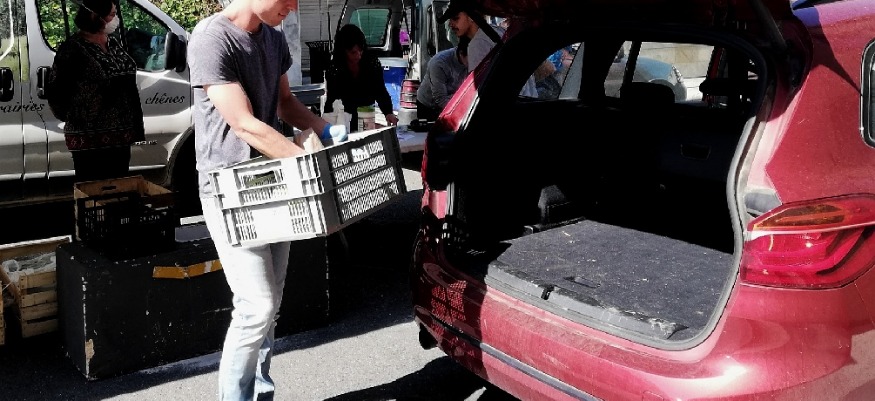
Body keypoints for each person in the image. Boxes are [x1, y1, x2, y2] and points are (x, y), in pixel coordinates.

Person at [187, 0, 348, 399]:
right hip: (229, 190)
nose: (293, 7)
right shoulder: (212, 38)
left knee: (270, 305)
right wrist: (307, 164)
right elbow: (243, 124)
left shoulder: (273, 39)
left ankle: (259, 393)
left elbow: (285, 103)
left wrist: (325, 130)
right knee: (255, 305)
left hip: (274, 183)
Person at [46, 0, 144, 183]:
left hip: (121, 137)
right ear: (94, 16)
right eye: (111, 15)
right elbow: (56, 92)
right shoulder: (72, 49)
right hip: (89, 140)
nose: (115, 19)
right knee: (95, 190)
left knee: (120, 188)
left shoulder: (113, 43)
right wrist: (82, 115)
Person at [439, 0, 538, 97]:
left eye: (455, 18)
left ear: (471, 17)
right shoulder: (499, 31)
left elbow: (480, 91)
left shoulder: (477, 45)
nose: (450, 24)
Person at [324, 24, 399, 131]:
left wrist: (388, 113)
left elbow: (380, 91)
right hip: (343, 119)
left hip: (366, 115)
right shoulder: (334, 70)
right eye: (353, 52)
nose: (358, 55)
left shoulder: (372, 63)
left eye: (361, 50)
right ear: (343, 52)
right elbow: (331, 101)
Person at [416, 36, 470, 121]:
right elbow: (440, 99)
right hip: (428, 104)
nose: (474, 59)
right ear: (461, 54)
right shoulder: (439, 63)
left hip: (451, 99)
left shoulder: (471, 60)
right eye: (471, 57)